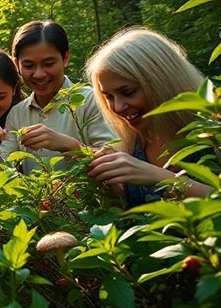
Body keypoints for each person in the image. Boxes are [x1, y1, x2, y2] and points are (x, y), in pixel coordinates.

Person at [85, 28, 212, 205]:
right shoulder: (134, 142)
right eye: (108, 97)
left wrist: (157, 176)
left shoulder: (217, 133)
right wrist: (111, 182)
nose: (118, 107)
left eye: (128, 92)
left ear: (162, 82)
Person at [0, 21, 115, 173]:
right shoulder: (17, 113)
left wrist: (68, 145)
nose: (39, 74)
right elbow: (7, 172)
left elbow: (114, 161)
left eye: (48, 63)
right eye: (28, 66)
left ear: (65, 57)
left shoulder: (93, 100)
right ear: (17, 65)